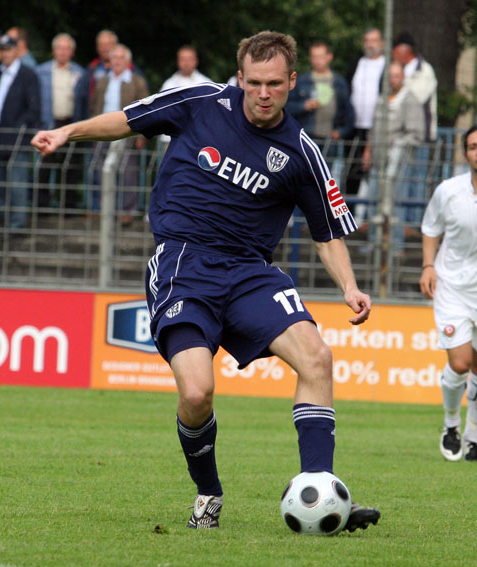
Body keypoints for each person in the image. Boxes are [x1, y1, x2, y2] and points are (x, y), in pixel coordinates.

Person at [31, 30, 380, 531]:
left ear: (291, 82)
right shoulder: (201, 102)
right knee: (196, 394)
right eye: (254, 82)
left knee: (317, 358)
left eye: (274, 84)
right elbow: (128, 120)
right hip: (184, 264)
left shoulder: (302, 152)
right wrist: (69, 132)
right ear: (239, 78)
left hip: (250, 272)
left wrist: (349, 286)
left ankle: (320, 489)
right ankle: (208, 493)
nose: (263, 93)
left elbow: (327, 234)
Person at [419, 125, 477, 463]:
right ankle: (452, 425)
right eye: (473, 146)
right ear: (466, 153)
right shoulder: (449, 190)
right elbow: (430, 228)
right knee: (461, 362)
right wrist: (428, 266)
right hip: (452, 286)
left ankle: (473, 436)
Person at [361, 61, 425, 256]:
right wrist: (368, 150)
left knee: (395, 203)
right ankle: (374, 242)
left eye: (396, 76)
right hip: (378, 159)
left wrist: (398, 144)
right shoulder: (382, 98)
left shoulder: (410, 100)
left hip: (399, 162)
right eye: (390, 76)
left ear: (403, 77)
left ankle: (396, 246)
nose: (392, 80)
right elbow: (374, 129)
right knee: (373, 200)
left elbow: (417, 134)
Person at [91, 44, 149, 224]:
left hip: (127, 133)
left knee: (128, 172)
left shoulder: (137, 82)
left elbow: (146, 109)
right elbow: (95, 106)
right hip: (102, 132)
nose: (117, 61)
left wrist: (141, 135)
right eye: (114, 57)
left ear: (128, 61)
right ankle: (104, 210)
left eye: (121, 57)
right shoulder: (103, 81)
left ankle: (127, 211)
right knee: (100, 172)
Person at [36, 33, 87, 214]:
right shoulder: (41, 71)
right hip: (48, 123)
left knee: (71, 166)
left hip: (70, 123)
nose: (62, 52)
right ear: (53, 50)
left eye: (66, 48)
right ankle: (42, 207)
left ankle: (69, 208)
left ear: (72, 52)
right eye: (59, 48)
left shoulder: (80, 73)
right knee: (45, 165)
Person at [0, 34, 40, 231]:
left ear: (16, 51)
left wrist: (18, 127)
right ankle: (1, 218)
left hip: (17, 137)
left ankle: (17, 224)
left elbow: (34, 108)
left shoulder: (27, 75)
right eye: (2, 50)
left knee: (17, 182)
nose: (5, 54)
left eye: (8, 50)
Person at [392, 32, 438, 227]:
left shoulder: (424, 71)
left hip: (420, 136)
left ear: (404, 50)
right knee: (402, 180)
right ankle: (403, 224)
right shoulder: (401, 69)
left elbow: (415, 98)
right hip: (402, 136)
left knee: (417, 180)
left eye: (395, 50)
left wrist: (400, 83)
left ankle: (414, 225)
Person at [345, 28, 385, 218]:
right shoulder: (356, 64)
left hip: (378, 128)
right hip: (355, 127)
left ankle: (373, 218)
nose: (370, 44)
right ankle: (349, 216)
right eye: (367, 40)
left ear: (382, 43)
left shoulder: (387, 65)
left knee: (376, 174)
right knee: (351, 173)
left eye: (374, 40)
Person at [286, 40, 354, 147]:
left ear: (329, 57)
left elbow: (349, 112)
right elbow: (286, 108)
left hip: (331, 140)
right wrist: (303, 106)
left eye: (321, 57)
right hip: (306, 138)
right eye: (314, 57)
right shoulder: (301, 81)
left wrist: (341, 132)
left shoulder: (339, 82)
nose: (317, 61)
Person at [158, 45, 212, 148]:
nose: (186, 63)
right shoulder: (169, 85)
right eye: (183, 59)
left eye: (189, 59)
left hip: (198, 140)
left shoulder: (206, 84)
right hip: (171, 140)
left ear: (196, 61)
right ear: (178, 61)